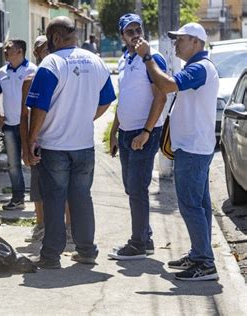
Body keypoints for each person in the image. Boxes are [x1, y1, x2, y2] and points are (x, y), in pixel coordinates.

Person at [26, 16, 116, 269]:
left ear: (54, 38)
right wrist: (86, 118)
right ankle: (87, 251)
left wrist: (31, 139)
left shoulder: (51, 63)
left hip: (54, 146)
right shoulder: (95, 60)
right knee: (81, 198)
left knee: (54, 200)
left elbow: (39, 108)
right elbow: (107, 100)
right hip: (84, 145)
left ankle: (51, 256)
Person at [135, 23, 220, 281]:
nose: (175, 45)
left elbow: (167, 85)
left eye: (180, 40)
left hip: (194, 149)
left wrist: (148, 58)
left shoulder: (199, 68)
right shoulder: (198, 67)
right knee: (200, 205)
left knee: (191, 205)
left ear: (196, 42)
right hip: (194, 147)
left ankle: (205, 263)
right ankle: (200, 254)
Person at [107, 14, 167, 261]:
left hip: (145, 132)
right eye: (129, 31)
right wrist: (113, 131)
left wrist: (146, 132)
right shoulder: (124, 59)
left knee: (137, 188)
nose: (134, 34)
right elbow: (126, 98)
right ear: (122, 35)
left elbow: (160, 97)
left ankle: (138, 243)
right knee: (131, 187)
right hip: (125, 132)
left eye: (137, 29)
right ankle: (146, 237)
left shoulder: (152, 58)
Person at [20, 36, 73, 244]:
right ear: (37, 54)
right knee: (38, 187)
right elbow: (24, 114)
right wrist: (26, 145)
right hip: (38, 142)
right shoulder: (30, 81)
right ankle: (41, 225)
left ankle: (68, 228)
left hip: (63, 141)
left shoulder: (67, 76)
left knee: (66, 187)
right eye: (44, 50)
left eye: (51, 49)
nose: (48, 53)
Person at [0, 39, 37, 210]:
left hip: (30, 126)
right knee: (13, 164)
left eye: (8, 48)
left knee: (33, 161)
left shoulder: (33, 70)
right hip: (10, 126)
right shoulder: (2, 72)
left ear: (20, 51)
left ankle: (39, 201)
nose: (4, 51)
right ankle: (18, 199)